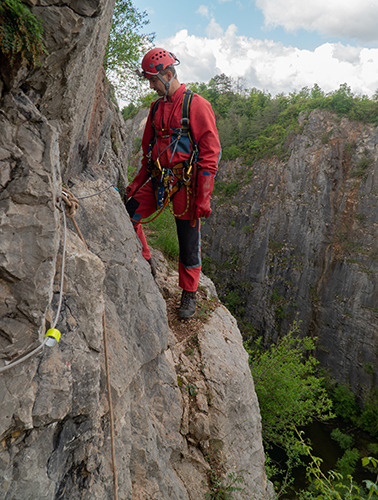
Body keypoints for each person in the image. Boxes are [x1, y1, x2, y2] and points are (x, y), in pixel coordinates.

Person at [125, 48, 221, 319]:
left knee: (188, 240)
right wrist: (136, 183)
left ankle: (189, 293)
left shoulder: (197, 105)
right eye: (150, 80)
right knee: (129, 211)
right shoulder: (156, 107)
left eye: (154, 80)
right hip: (157, 179)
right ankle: (146, 261)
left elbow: (210, 154)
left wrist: (204, 197)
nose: (151, 86)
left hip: (186, 186)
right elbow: (147, 150)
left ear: (168, 75)